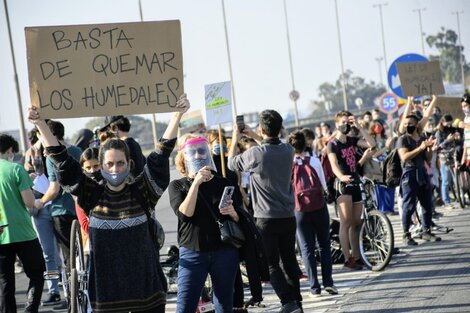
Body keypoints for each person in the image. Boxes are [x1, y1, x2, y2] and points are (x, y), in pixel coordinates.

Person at [28, 94, 189, 313]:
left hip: (148, 296)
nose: (115, 169)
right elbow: (61, 160)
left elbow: (160, 154)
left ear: (129, 164)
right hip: (107, 298)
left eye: (120, 163)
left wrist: (177, 115)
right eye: (110, 164)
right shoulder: (91, 194)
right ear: (102, 166)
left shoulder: (143, 191)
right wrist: (40, 125)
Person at [228, 110, 302, 313]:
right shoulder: (288, 150)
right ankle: (298, 303)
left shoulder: (255, 153)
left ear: (261, 129)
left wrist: (236, 136)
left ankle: (287, 301)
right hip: (288, 215)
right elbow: (270, 144)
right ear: (280, 128)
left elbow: (231, 162)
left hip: (266, 218)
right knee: (289, 262)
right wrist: (255, 135)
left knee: (272, 265)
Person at [168, 134, 244, 313]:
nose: (197, 156)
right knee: (185, 305)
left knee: (224, 305)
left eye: (202, 151)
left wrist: (233, 213)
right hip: (193, 252)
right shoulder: (178, 186)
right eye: (191, 152)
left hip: (224, 251)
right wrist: (195, 183)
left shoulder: (223, 182)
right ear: (183, 157)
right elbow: (185, 214)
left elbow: (240, 217)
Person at [288, 131, 337, 297]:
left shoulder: (288, 164)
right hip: (318, 206)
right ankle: (329, 282)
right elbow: (323, 185)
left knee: (306, 248)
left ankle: (314, 287)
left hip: (299, 209)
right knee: (324, 244)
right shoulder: (314, 161)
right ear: (305, 144)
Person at [0, 133, 46, 313]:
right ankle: (30, 308)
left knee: (5, 281)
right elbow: (29, 202)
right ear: (10, 150)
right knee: (36, 273)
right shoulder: (16, 170)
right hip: (23, 231)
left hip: (1, 235)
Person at [327, 111, 375, 270]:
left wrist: (359, 127)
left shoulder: (352, 140)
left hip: (355, 182)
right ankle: (347, 259)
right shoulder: (332, 143)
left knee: (356, 223)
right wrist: (341, 177)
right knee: (346, 222)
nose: (345, 124)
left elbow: (371, 143)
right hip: (342, 185)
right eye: (342, 122)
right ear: (336, 124)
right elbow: (333, 164)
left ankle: (357, 256)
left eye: (348, 122)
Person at [397, 114, 442, 245]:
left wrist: (429, 148)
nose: (407, 126)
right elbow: (404, 157)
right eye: (405, 123)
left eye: (409, 123)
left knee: (427, 204)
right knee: (409, 205)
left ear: (416, 125)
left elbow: (427, 159)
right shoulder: (403, 139)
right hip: (409, 174)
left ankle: (426, 230)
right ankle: (406, 234)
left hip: (422, 172)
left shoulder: (422, 138)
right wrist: (421, 148)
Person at [434, 114, 458, 209]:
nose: (449, 125)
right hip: (443, 157)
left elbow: (455, 142)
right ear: (442, 122)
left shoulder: (451, 129)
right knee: (446, 180)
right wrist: (447, 140)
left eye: (450, 123)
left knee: (454, 179)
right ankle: (446, 201)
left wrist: (456, 137)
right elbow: (438, 146)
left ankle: (459, 197)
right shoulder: (438, 133)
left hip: (452, 155)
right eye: (447, 123)